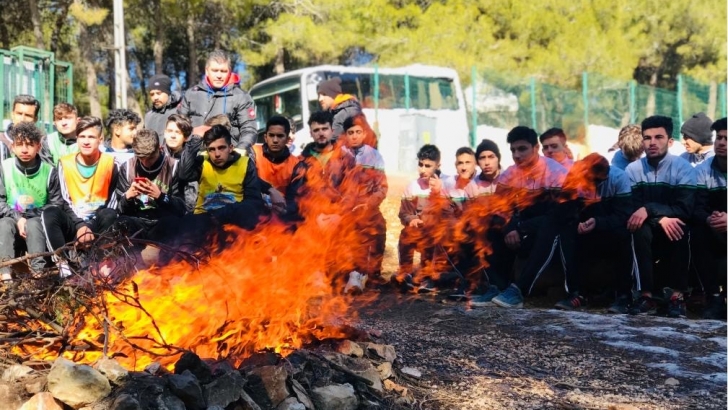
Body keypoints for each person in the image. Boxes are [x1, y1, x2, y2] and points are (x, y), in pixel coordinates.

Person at [489, 126, 568, 309]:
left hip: (548, 228)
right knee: (488, 226)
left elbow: (558, 214)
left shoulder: (556, 172)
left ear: (536, 148)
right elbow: (498, 209)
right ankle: (497, 287)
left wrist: (520, 228)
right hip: (521, 227)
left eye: (522, 149)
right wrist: (509, 228)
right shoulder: (509, 174)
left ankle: (519, 290)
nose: (517, 155)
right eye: (513, 150)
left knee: (550, 228)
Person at [625, 115, 696, 318]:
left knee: (682, 228)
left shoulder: (683, 169)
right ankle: (646, 296)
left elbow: (685, 209)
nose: (652, 142)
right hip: (649, 228)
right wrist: (659, 217)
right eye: (647, 138)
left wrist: (649, 209)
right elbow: (631, 209)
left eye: (659, 137)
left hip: (673, 228)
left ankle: (677, 297)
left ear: (670, 141)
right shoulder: (633, 170)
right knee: (637, 228)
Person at [552, 153, 635, 313]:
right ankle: (576, 294)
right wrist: (576, 222)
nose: (594, 185)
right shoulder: (574, 177)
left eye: (599, 181)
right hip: (583, 228)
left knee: (626, 235)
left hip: (609, 227)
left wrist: (598, 222)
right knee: (566, 235)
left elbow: (623, 214)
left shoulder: (619, 177)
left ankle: (624, 296)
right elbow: (562, 210)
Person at [41, 116, 119, 277]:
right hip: (74, 223)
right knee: (50, 212)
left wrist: (89, 226)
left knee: (110, 214)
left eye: (91, 137)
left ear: (100, 140)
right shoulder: (64, 163)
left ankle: (103, 264)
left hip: (97, 225)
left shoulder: (111, 163)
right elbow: (63, 200)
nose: (86, 141)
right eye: (82, 136)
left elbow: (112, 203)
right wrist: (79, 226)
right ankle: (64, 267)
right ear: (77, 139)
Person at [0, 123, 64, 280]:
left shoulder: (49, 171)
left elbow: (56, 204)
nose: (24, 149)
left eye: (29, 144)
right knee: (4, 224)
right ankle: (5, 274)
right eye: (19, 144)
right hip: (12, 221)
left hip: (38, 225)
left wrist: (28, 217)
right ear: (12, 147)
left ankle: (38, 274)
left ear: (39, 146)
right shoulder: (4, 167)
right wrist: (18, 218)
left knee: (34, 224)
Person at [340, 115, 388, 293]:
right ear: (345, 134)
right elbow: (332, 185)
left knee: (379, 226)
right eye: (350, 132)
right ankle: (351, 273)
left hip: (368, 207)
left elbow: (382, 188)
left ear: (364, 133)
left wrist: (368, 204)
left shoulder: (374, 155)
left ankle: (373, 274)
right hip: (343, 208)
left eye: (358, 132)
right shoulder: (339, 155)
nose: (354, 136)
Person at [177, 50, 257, 153]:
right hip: (195, 159)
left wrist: (238, 152)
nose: (219, 75)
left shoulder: (241, 97)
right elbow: (180, 127)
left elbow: (249, 130)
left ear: (229, 71)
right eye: (215, 70)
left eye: (223, 71)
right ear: (207, 70)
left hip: (228, 160)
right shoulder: (191, 94)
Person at [396, 144, 451, 292]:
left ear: (438, 165)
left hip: (443, 236)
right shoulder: (413, 186)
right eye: (420, 165)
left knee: (435, 233)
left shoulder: (448, 183)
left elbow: (453, 212)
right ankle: (405, 274)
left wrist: (440, 192)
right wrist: (412, 219)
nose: (423, 169)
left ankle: (430, 277)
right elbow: (403, 212)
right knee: (406, 234)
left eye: (428, 166)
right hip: (421, 232)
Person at [180, 125, 263, 223]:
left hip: (233, 219)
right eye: (212, 149)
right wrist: (195, 139)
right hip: (203, 220)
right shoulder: (203, 161)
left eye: (221, 148)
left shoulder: (245, 164)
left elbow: (254, 202)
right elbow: (184, 174)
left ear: (231, 148)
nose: (217, 154)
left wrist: (224, 213)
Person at [115, 129, 186, 237]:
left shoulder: (174, 166)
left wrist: (160, 196)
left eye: (151, 158)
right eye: (141, 158)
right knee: (122, 222)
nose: (146, 163)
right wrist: (128, 197)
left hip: (163, 222)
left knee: (173, 223)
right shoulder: (128, 167)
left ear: (160, 148)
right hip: (137, 221)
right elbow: (120, 209)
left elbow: (182, 209)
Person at [693, 117, 727, 319]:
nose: (721, 142)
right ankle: (713, 298)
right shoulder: (703, 171)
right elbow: (696, 208)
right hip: (714, 229)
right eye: (719, 138)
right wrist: (709, 218)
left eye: (727, 139)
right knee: (697, 232)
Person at [252, 116, 298, 214]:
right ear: (265, 137)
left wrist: (285, 209)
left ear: (287, 139)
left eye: (280, 136)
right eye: (271, 135)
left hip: (281, 215)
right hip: (255, 210)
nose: (275, 140)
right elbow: (246, 177)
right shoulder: (254, 152)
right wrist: (270, 189)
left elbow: (295, 199)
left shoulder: (296, 164)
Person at [163, 114, 197, 212]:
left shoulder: (192, 158)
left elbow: (191, 192)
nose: (173, 136)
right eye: (170, 131)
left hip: (184, 209)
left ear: (186, 137)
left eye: (178, 132)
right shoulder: (157, 155)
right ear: (165, 133)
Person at [2, 95, 41, 161]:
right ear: (12, 115)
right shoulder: (1, 140)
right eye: (19, 114)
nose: (22, 119)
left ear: (35, 119)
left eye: (28, 115)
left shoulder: (42, 144)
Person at [144, 74, 181, 140]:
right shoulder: (148, 116)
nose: (155, 97)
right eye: (152, 94)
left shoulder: (179, 111)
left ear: (168, 93)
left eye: (158, 93)